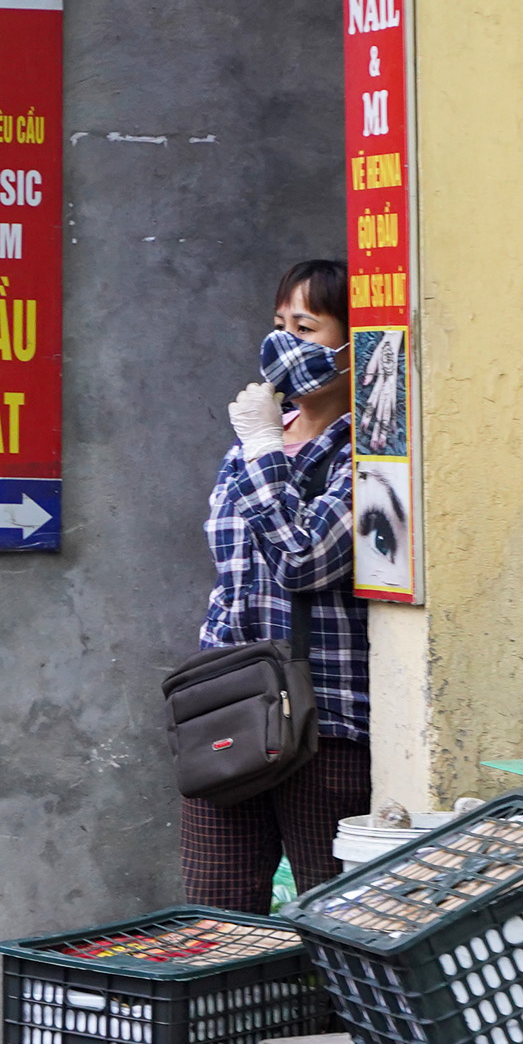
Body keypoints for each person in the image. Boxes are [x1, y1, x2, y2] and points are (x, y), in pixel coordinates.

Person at [180, 261, 371, 911]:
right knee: (216, 907)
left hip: (325, 721)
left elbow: (304, 559)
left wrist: (264, 447)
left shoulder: (366, 454)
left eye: (306, 327)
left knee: (333, 909)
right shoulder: (255, 442)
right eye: (279, 324)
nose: (282, 344)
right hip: (234, 707)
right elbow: (230, 573)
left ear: (354, 342)